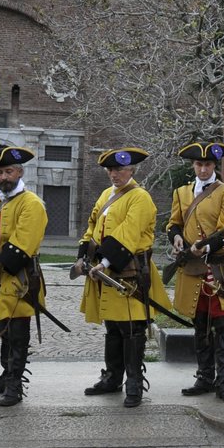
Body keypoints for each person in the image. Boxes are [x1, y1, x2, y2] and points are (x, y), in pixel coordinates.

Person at [76, 147, 170, 408]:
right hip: (104, 270)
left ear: (132, 170)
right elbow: (93, 225)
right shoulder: (106, 194)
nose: (114, 174)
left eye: (119, 170)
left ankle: (134, 383)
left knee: (131, 328)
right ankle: (113, 377)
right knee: (113, 327)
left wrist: (104, 262)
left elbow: (128, 234)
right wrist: (84, 254)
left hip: (129, 272)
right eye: (110, 170)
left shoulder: (140, 198)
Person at [0, 145, 47, 408]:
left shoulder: (32, 204)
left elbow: (22, 244)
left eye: (9, 171)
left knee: (17, 332)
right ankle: (5, 376)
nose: (4, 177)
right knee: (4, 330)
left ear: (20, 171)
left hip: (21, 277)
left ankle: (15, 385)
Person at [167, 140, 224, 404]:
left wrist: (206, 246)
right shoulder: (180, 192)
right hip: (192, 270)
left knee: (223, 328)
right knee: (200, 326)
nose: (203, 169)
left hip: (219, 269)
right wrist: (176, 239)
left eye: (208, 164)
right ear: (193, 165)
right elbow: (173, 224)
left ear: (215, 165)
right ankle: (204, 377)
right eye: (199, 164)